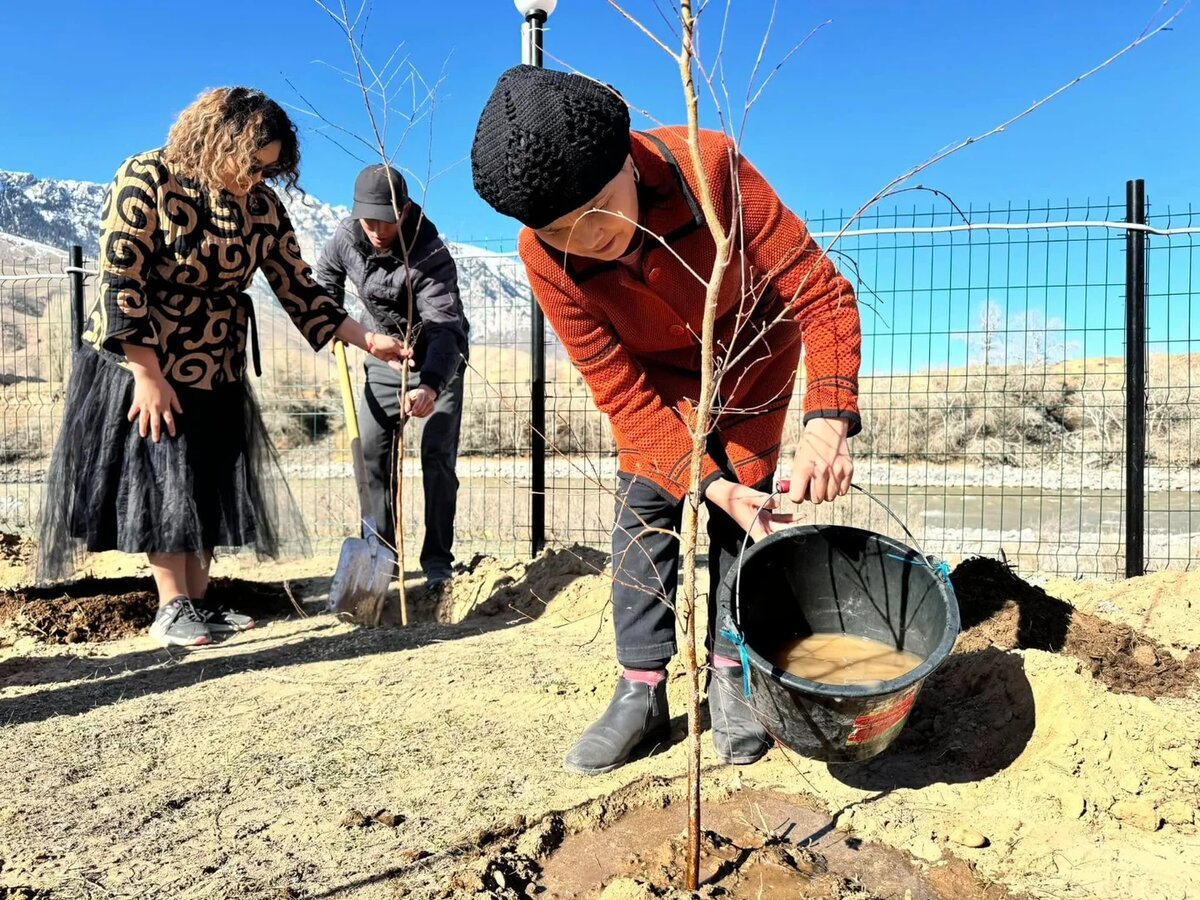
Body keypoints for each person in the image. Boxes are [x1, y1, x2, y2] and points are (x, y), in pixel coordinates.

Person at [470, 66, 861, 775]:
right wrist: (699, 479)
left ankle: (732, 673)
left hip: (749, 360)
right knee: (644, 512)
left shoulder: (709, 169)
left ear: (627, 157)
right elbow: (621, 392)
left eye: (598, 210)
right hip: (656, 386)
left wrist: (827, 419)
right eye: (560, 230)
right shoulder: (544, 256)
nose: (586, 240)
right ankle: (641, 692)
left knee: (747, 516)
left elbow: (821, 295)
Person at [37, 87, 412, 648]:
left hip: (218, 364)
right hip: (145, 363)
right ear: (220, 140)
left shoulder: (261, 205)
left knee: (208, 485)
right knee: (164, 482)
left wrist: (367, 340)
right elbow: (121, 278)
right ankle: (172, 608)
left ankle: (198, 605)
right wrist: (147, 374)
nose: (257, 178)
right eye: (253, 164)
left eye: (269, 170)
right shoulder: (148, 178)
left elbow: (297, 285)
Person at [315, 165, 469, 590]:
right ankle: (382, 560)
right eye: (370, 220)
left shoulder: (429, 252)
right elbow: (324, 283)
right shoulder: (347, 236)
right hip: (381, 357)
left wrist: (430, 384)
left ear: (404, 210)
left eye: (388, 218)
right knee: (369, 455)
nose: (379, 229)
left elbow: (444, 327)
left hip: (439, 359)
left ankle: (438, 562)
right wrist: (342, 328)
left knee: (437, 457)